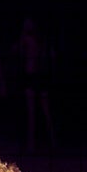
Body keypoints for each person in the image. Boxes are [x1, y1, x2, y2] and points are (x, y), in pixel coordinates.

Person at [13, 16, 57, 153]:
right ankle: (38, 144)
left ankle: (46, 143)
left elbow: (17, 51)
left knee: (40, 112)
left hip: (36, 76)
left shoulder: (33, 40)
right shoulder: (34, 40)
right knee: (37, 112)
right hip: (35, 76)